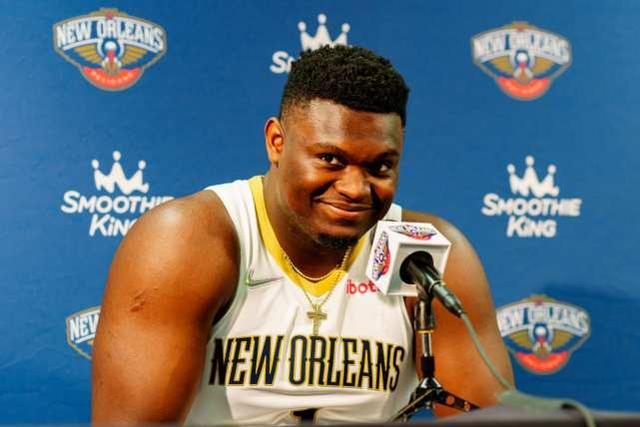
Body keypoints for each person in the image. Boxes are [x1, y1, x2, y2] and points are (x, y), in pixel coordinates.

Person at [92, 45, 513, 424]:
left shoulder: (428, 253)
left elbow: (486, 417)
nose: (355, 188)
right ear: (277, 142)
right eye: (331, 159)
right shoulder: (189, 240)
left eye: (380, 167)